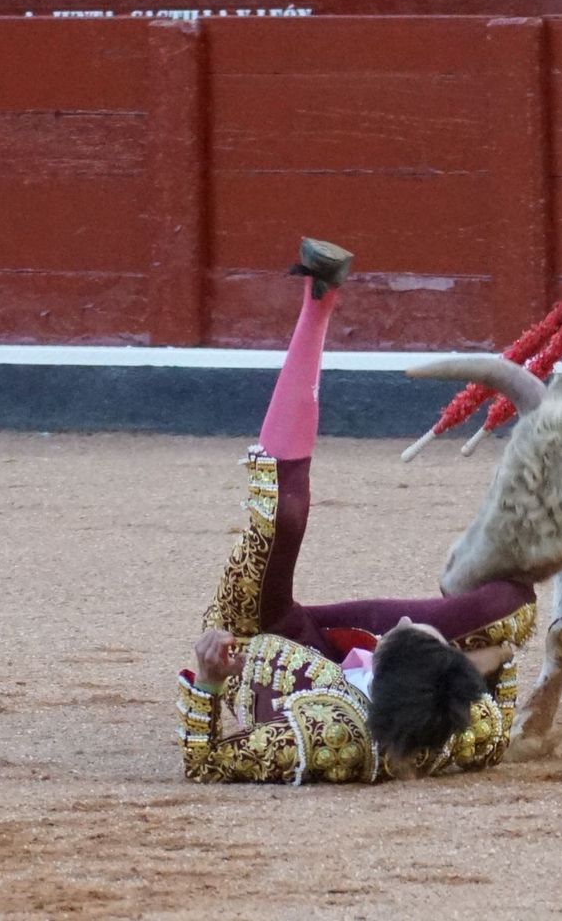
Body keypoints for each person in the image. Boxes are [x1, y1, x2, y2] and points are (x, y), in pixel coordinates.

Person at [178, 238, 536, 785]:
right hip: (364, 667)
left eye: (407, 634)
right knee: (509, 609)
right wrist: (480, 667)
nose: (411, 621)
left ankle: (315, 303)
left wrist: (209, 680)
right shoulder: (471, 730)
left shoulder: (315, 737)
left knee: (281, 516)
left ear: (381, 665)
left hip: (255, 635)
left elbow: (202, 764)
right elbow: (500, 691)